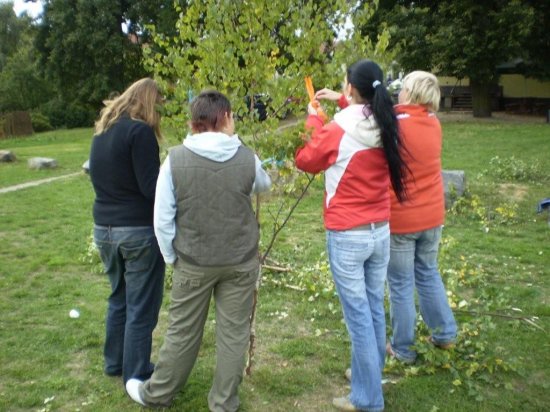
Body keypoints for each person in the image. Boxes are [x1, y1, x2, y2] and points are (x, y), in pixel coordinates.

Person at [125, 90, 271, 411]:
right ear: (228, 119)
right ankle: (223, 403)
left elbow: (162, 218)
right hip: (240, 261)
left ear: (193, 123)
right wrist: (238, 145)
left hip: (194, 261)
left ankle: (158, 394)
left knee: (183, 332)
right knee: (233, 333)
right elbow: (263, 184)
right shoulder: (246, 156)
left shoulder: (175, 159)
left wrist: (171, 257)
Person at [296, 59, 408, 412]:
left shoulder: (338, 127)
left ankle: (367, 399)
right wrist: (341, 104)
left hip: (348, 234)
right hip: (379, 231)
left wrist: (314, 116)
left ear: (350, 87)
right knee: (373, 307)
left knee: (358, 316)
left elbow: (306, 159)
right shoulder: (386, 120)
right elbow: (361, 122)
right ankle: (369, 375)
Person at [89, 78, 166, 383]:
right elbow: (150, 188)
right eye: (158, 104)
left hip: (104, 229)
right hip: (136, 231)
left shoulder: (103, 132)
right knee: (141, 305)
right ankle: (136, 371)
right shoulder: (140, 132)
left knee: (118, 297)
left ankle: (114, 362)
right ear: (148, 101)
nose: (159, 112)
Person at [385, 71, 457, 364]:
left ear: (410, 93)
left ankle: (403, 348)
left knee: (401, 283)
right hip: (432, 215)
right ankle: (445, 335)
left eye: (402, 88)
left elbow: (369, 118)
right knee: (427, 273)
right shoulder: (433, 122)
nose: (399, 93)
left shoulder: (395, 125)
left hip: (402, 218)